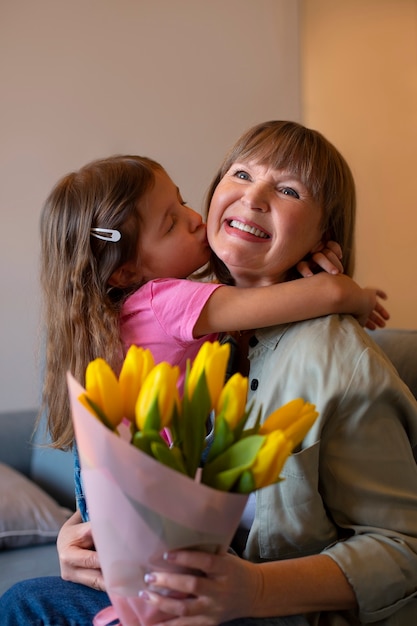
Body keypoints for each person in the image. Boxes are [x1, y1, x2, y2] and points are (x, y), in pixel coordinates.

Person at [0, 123, 406, 626]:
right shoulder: (185, 319)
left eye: (288, 189)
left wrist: (255, 590)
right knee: (25, 601)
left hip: (264, 609)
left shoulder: (339, 361)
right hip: (171, 582)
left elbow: (403, 549)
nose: (253, 197)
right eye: (241, 173)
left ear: (325, 232)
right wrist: (77, 536)